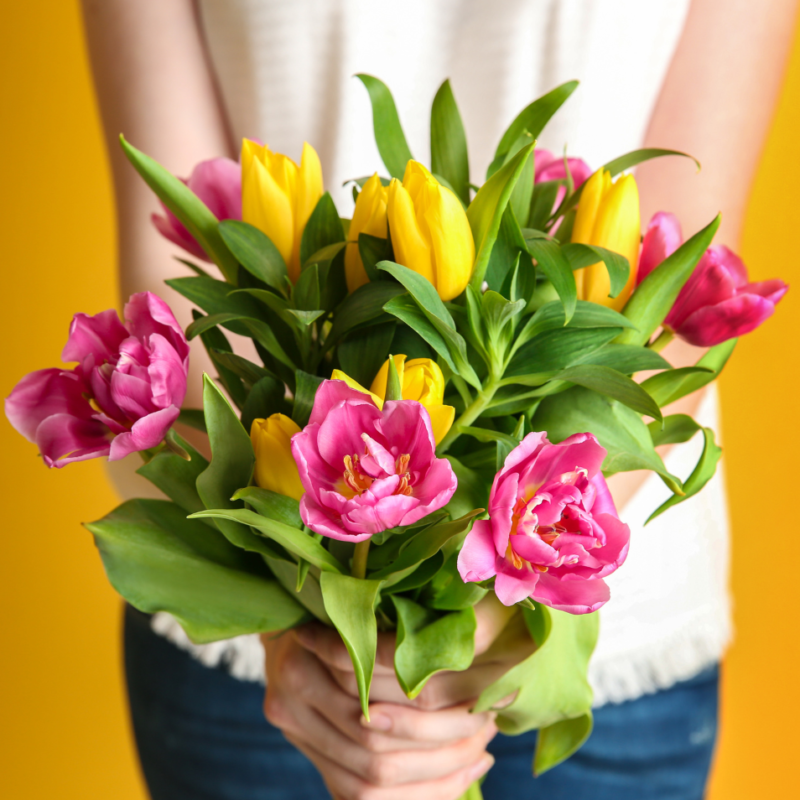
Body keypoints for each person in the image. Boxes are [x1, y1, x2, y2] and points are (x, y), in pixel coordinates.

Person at [80, 1, 798, 798]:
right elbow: (173, 262)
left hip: (614, 651)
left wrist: (474, 619)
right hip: (265, 656)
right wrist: (310, 617)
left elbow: (677, 277)